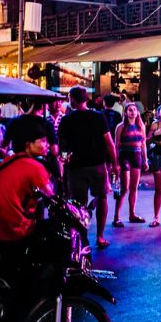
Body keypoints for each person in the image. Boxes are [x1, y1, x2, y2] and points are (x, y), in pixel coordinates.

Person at [0, 117, 53, 322]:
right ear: (28, 145)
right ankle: (31, 314)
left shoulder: (7, 162)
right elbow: (51, 196)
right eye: (41, 141)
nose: (47, 145)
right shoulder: (34, 167)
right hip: (15, 231)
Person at [58, 86, 118, 248]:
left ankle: (82, 238)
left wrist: (64, 162)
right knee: (102, 198)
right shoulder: (98, 117)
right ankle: (99, 236)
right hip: (97, 165)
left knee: (78, 204)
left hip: (76, 168)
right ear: (86, 99)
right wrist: (114, 164)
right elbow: (109, 143)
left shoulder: (66, 120)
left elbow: (62, 147)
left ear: (73, 99)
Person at [112, 103, 148, 227]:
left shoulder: (140, 126)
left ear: (137, 112)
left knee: (134, 187)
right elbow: (116, 146)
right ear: (126, 112)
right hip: (125, 155)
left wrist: (146, 160)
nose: (132, 112)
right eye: (130, 110)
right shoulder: (120, 126)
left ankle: (132, 214)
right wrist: (115, 162)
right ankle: (116, 216)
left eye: (134, 110)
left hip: (137, 155)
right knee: (124, 188)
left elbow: (143, 144)